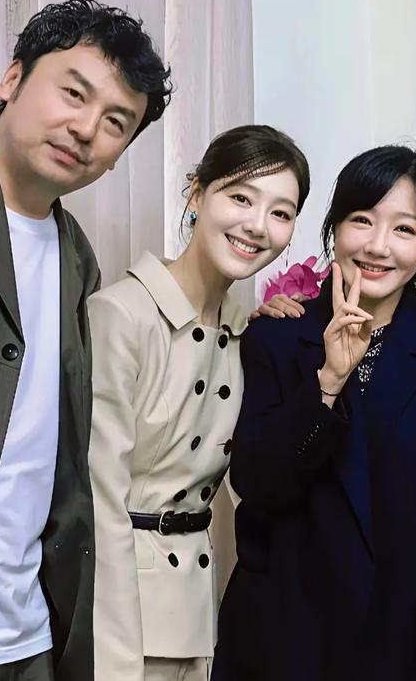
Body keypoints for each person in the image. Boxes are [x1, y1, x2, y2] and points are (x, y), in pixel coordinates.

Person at [212, 146, 416, 681]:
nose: (377, 246)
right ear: (334, 228)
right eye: (362, 220)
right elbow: (258, 484)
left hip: (401, 648)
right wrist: (327, 382)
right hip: (279, 646)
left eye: (404, 229)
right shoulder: (276, 337)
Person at [0, 0, 172, 681]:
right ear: (12, 79)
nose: (86, 128)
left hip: (27, 634)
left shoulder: (76, 258)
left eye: (116, 122)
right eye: (74, 93)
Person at [88, 125, 310, 681]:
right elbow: (96, 503)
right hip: (124, 625)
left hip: (202, 621)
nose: (257, 225)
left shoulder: (245, 333)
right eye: (241, 197)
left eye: (281, 213)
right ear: (196, 192)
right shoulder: (121, 316)